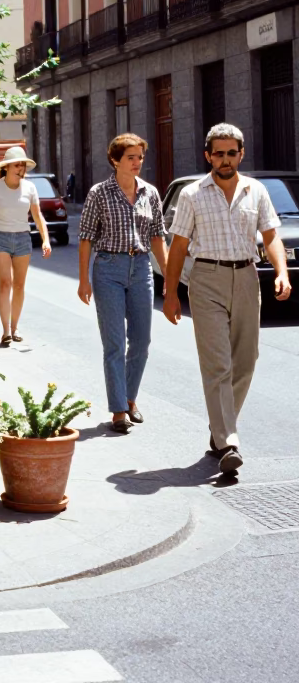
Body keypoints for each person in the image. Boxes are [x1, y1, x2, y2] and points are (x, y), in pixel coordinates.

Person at [163, 124, 291, 476]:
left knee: (246, 361)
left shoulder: (256, 191)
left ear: (241, 154)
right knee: (218, 364)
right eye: (217, 153)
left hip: (247, 277)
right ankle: (229, 441)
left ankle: (218, 430)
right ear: (208, 156)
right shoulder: (191, 195)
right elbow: (179, 247)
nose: (224, 159)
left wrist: (281, 272)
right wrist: (171, 293)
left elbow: (270, 237)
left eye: (230, 152)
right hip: (206, 278)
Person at [77, 134, 168, 434]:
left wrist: (168, 277)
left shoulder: (150, 193)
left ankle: (130, 399)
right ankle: (118, 410)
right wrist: (83, 280)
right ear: (115, 160)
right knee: (114, 343)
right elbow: (86, 237)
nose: (137, 162)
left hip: (141, 268)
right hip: (108, 269)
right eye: (131, 157)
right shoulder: (99, 193)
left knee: (141, 341)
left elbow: (157, 237)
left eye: (140, 157)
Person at [0, 146, 50, 345]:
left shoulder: (30, 187)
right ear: (7, 167)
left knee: (19, 285)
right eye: (17, 165)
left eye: (23, 165)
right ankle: (5, 330)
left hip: (22, 238)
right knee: (5, 283)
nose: (21, 168)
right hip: (0, 237)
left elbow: (37, 215)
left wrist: (45, 239)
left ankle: (15, 327)